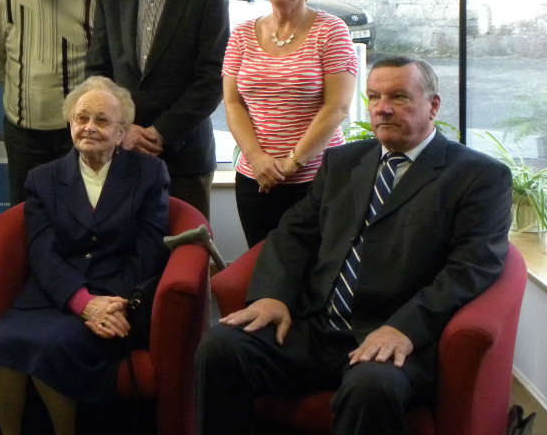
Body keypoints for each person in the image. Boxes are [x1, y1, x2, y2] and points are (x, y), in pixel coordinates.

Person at [196, 57, 512, 435]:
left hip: (393, 332)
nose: (383, 108)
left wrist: (406, 328)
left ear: (434, 105)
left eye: (399, 96)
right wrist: (272, 295)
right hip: (314, 325)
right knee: (220, 349)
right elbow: (293, 234)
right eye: (374, 96)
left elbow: (471, 268)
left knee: (371, 389)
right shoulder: (343, 161)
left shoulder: (478, 176)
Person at [0, 76, 169, 435]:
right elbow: (43, 253)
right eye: (81, 118)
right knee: (4, 342)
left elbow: (149, 253)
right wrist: (82, 302)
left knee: (53, 348)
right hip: (55, 295)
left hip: (116, 298)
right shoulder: (43, 179)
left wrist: (112, 304)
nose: (89, 127)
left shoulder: (148, 174)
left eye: (101, 120)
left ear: (121, 133)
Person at [86, 0, 228, 220]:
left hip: (184, 155)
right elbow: (97, 74)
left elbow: (211, 78)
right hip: (123, 153)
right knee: (129, 255)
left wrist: (160, 132)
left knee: (186, 253)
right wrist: (125, 130)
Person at [223, 0, 357, 246]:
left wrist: (291, 163)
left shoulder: (331, 31)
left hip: (317, 179)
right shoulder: (241, 34)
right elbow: (233, 103)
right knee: (262, 270)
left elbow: (337, 107)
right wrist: (256, 158)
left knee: (316, 274)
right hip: (256, 180)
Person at [0, 0, 109, 204]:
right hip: (22, 133)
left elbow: (109, 68)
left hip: (79, 133)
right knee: (27, 215)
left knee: (82, 213)